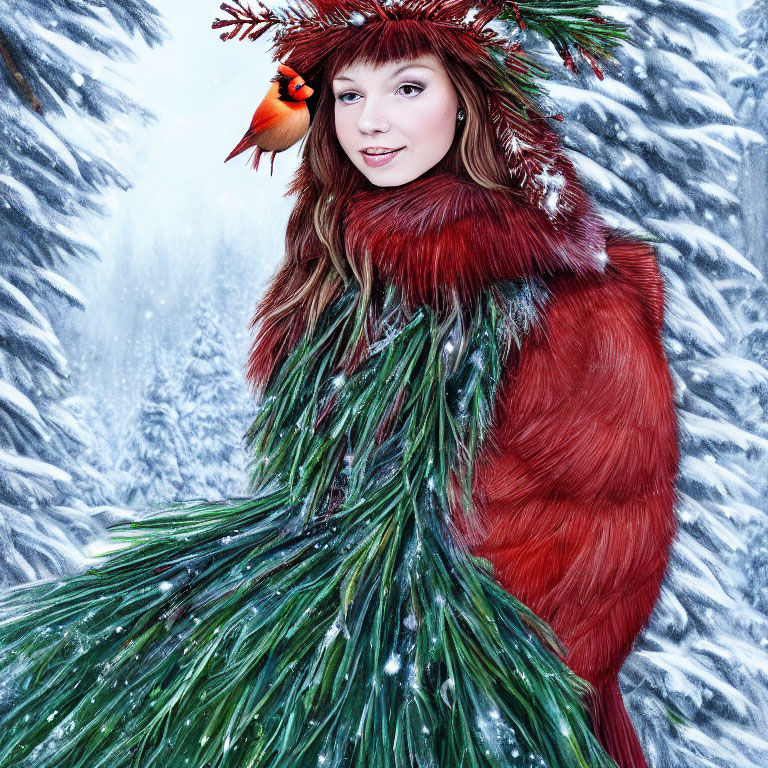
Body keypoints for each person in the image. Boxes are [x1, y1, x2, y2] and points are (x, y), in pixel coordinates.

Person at [0, 3, 677, 768]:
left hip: (468, 696)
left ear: (471, 100)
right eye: (349, 95)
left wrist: (386, 638)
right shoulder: (342, 264)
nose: (371, 123)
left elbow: (595, 557)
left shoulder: (570, 302)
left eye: (408, 88)